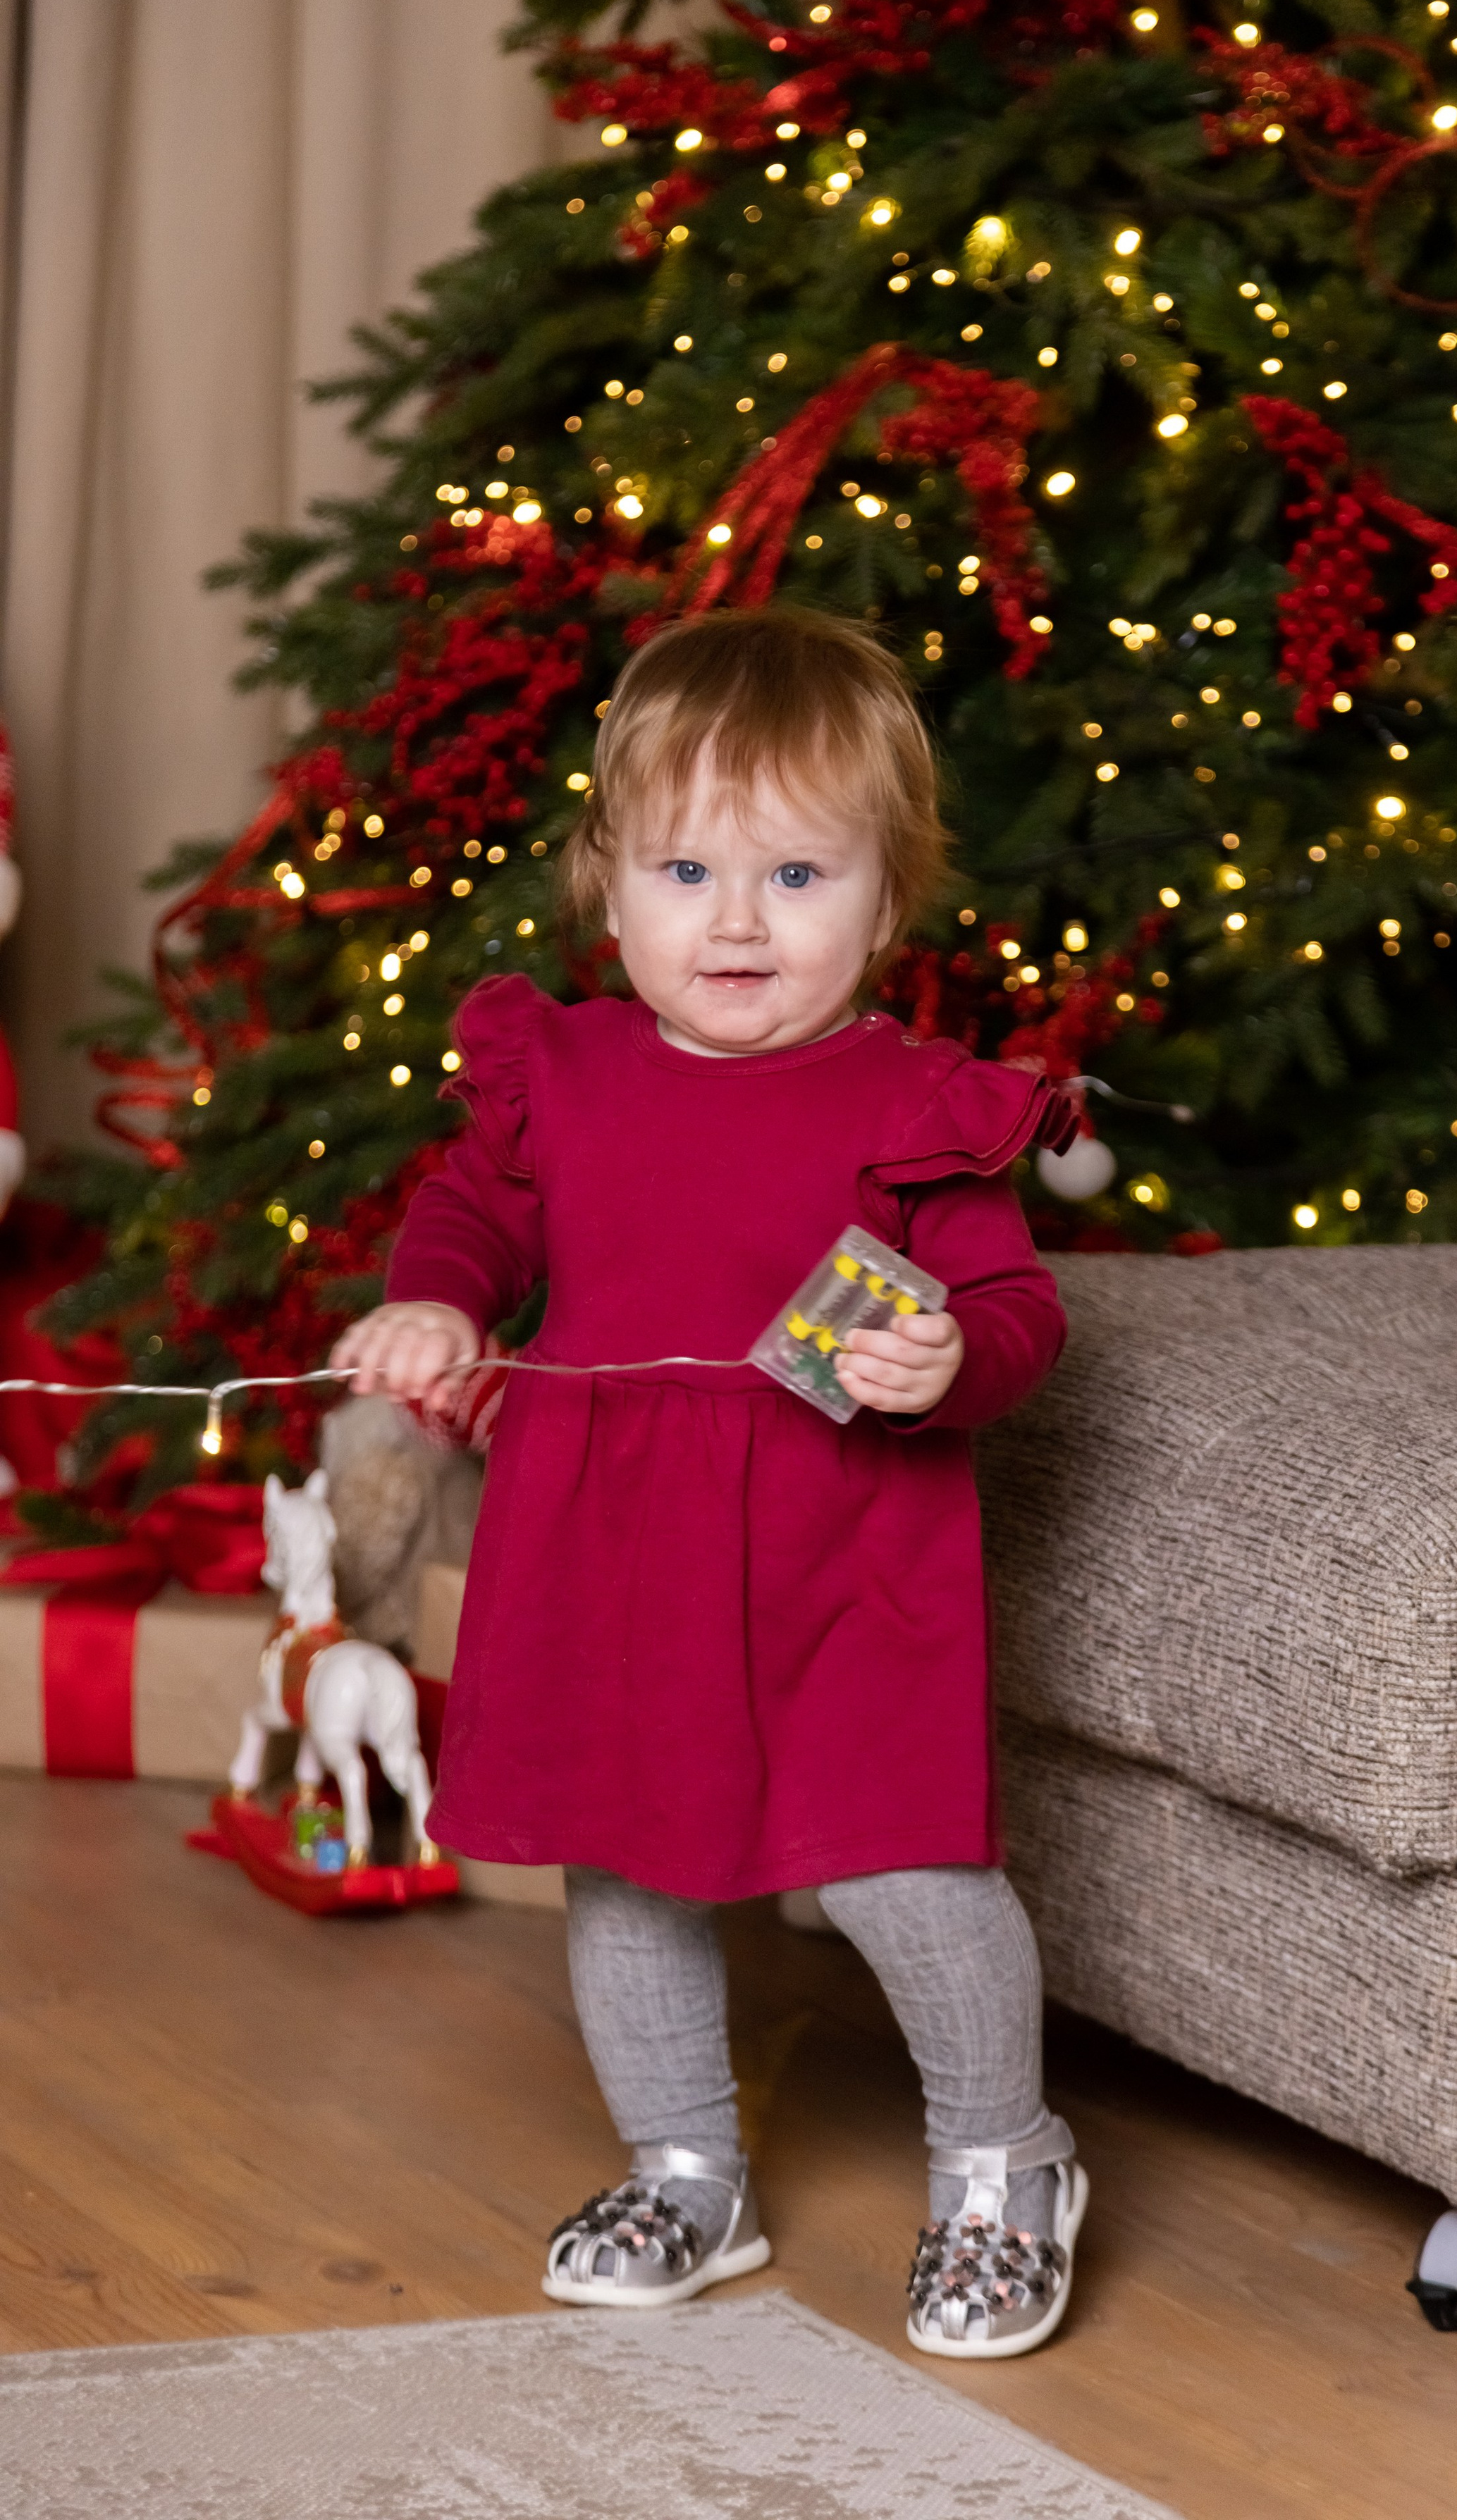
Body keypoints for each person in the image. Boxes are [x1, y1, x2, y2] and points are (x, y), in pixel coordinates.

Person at [333, 605, 1084, 2359]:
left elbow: (1015, 1309)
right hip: (612, 1553)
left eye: (796, 876)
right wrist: (433, 1301)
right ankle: (688, 2167)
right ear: (609, 887)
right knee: (631, 1868)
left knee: (908, 1869)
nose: (734, 920)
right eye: (686, 868)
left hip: (852, 1555)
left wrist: (951, 1361)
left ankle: (1000, 2160)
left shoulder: (912, 1105)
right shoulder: (566, 1079)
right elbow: (471, 1215)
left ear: (886, 901)